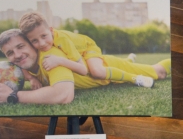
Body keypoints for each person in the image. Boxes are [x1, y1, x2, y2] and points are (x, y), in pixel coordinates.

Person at [0, 29, 168, 105]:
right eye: (10, 53)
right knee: (127, 64)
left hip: (107, 66)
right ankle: (129, 60)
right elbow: (23, 70)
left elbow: (64, 95)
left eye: (21, 47)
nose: (17, 55)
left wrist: (13, 96)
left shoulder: (51, 58)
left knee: (158, 72)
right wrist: (31, 78)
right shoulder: (21, 67)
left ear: (33, 45)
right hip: (100, 70)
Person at [18, 12, 165, 88]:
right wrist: (31, 78)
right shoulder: (37, 49)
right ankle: (128, 60)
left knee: (97, 71)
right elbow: (20, 64)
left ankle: (135, 79)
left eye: (44, 36)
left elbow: (83, 70)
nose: (41, 43)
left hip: (88, 47)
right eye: (34, 41)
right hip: (80, 52)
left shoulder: (62, 40)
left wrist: (59, 61)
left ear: (51, 30)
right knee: (104, 67)